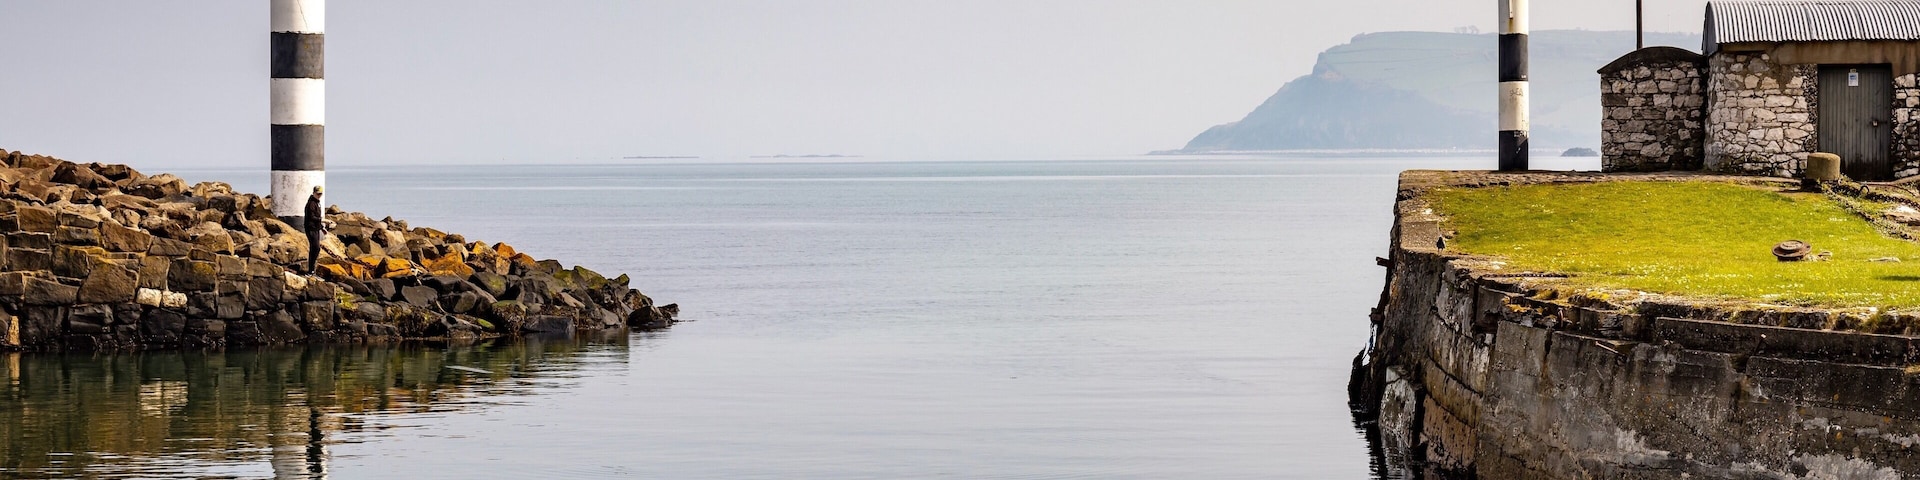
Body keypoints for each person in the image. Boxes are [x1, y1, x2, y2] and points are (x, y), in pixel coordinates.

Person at [305, 186, 326, 274]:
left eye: (320, 194)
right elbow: (312, 217)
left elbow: (316, 216)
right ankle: (311, 270)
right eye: (318, 194)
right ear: (314, 193)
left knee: (315, 249)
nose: (319, 195)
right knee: (315, 248)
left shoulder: (317, 203)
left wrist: (321, 227)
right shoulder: (311, 204)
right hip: (311, 228)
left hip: (316, 228)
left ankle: (312, 270)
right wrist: (323, 220)